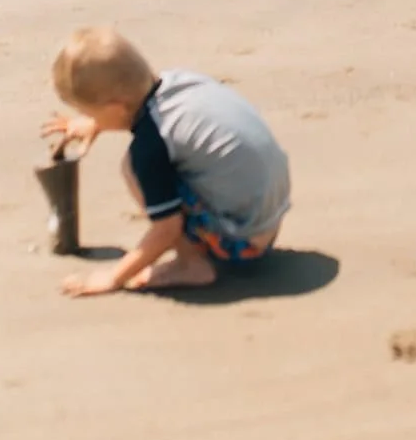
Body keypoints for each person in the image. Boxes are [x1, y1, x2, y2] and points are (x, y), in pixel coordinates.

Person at [43, 26, 291, 296]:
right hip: (270, 217)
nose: (87, 117)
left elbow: (167, 228)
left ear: (115, 108)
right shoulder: (180, 81)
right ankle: (206, 245)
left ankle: (190, 265)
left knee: (134, 171)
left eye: (87, 111)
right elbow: (146, 115)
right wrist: (96, 124)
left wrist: (114, 277)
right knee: (177, 159)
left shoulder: (149, 147)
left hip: (244, 244)